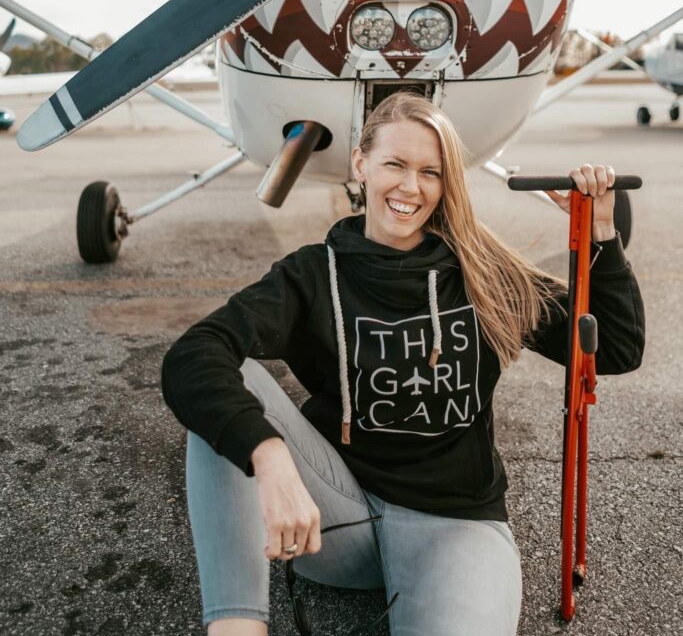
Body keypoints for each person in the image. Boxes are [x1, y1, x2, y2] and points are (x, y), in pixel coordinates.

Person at [161, 92, 645, 636]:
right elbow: (193, 354)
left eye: (429, 172)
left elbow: (616, 350)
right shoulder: (313, 275)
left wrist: (602, 230)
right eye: (395, 164)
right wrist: (269, 458)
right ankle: (236, 627)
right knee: (230, 385)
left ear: (445, 184)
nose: (410, 187)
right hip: (338, 520)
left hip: (455, 527)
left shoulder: (482, 275)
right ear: (361, 164)